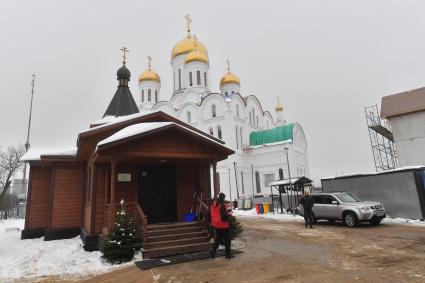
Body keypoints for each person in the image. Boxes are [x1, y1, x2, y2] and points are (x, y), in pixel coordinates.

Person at [209, 192, 233, 259]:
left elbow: (209, 213)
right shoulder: (222, 204)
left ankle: (212, 250)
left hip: (215, 224)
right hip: (223, 225)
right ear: (223, 198)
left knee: (218, 239)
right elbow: (224, 217)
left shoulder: (212, 203)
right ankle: (228, 254)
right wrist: (229, 215)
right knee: (227, 239)